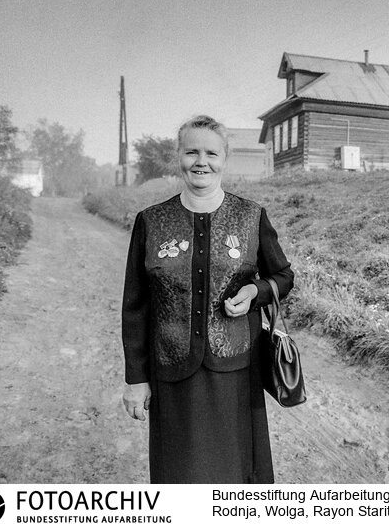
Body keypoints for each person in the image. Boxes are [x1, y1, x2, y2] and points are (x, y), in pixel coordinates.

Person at [121, 115, 294, 483]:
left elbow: (283, 276)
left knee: (234, 474)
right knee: (179, 474)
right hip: (171, 371)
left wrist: (255, 292)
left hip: (235, 371)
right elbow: (135, 308)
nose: (202, 161)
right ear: (178, 157)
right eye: (192, 152)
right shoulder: (151, 221)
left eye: (211, 153)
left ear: (224, 158)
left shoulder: (250, 217)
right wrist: (136, 379)